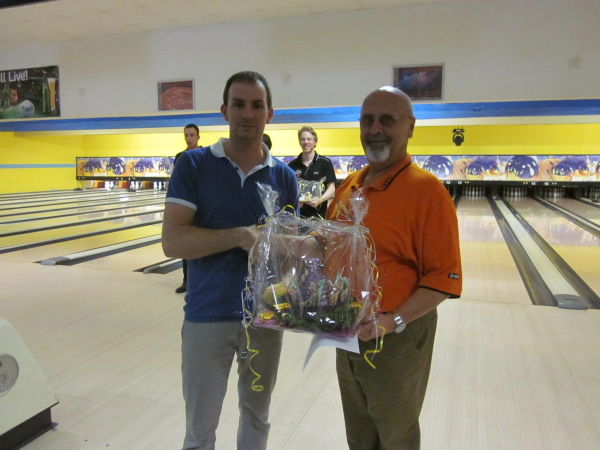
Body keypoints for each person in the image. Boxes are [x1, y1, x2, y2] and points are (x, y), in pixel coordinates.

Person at [161, 71, 298, 450]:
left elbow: (289, 254)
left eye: (257, 105)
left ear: (270, 113)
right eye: (239, 104)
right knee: (200, 428)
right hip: (207, 316)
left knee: (257, 417)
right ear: (224, 111)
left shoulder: (285, 177)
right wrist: (239, 236)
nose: (248, 113)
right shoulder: (193, 165)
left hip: (264, 320)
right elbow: (172, 241)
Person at [326, 86, 462, 449]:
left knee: (395, 436)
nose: (375, 129)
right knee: (359, 433)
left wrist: (392, 320)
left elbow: (442, 280)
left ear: (410, 127)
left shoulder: (427, 191)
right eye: (368, 120)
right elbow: (328, 247)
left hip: (397, 337)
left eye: (387, 120)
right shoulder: (350, 186)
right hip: (347, 330)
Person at [173, 123, 201, 294]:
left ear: (198, 137)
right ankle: (186, 281)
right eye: (186, 135)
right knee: (185, 243)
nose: (189, 138)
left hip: (203, 205)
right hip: (186, 205)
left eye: (192, 135)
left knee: (202, 242)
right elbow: (176, 182)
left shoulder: (205, 155)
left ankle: (202, 279)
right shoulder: (180, 157)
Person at [287, 126, 336, 218]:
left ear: (315, 142)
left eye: (309, 139)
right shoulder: (292, 165)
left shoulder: (325, 162)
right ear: (299, 142)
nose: (306, 142)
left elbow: (332, 188)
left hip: (319, 216)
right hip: (298, 217)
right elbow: (288, 190)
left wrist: (320, 200)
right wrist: (295, 201)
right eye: (303, 139)